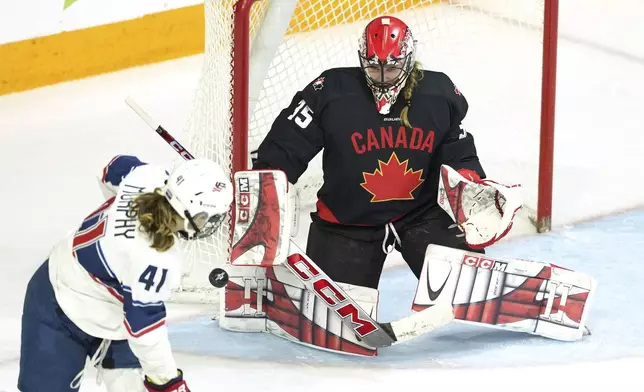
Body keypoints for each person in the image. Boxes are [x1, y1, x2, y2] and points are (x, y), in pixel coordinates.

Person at [252, 15, 490, 290]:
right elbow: (288, 141)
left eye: (391, 68)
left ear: (409, 59)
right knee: (335, 323)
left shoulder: (439, 94)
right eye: (374, 68)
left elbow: (458, 153)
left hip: (421, 214)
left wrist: (472, 185)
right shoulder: (330, 92)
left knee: (469, 289)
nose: (383, 78)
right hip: (346, 221)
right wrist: (265, 186)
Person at [19, 155, 233, 392]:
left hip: (104, 308)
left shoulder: (147, 176)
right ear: (192, 212)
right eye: (210, 218)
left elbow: (112, 169)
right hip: (59, 304)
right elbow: (144, 330)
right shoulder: (155, 259)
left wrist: (120, 224)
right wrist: (169, 383)